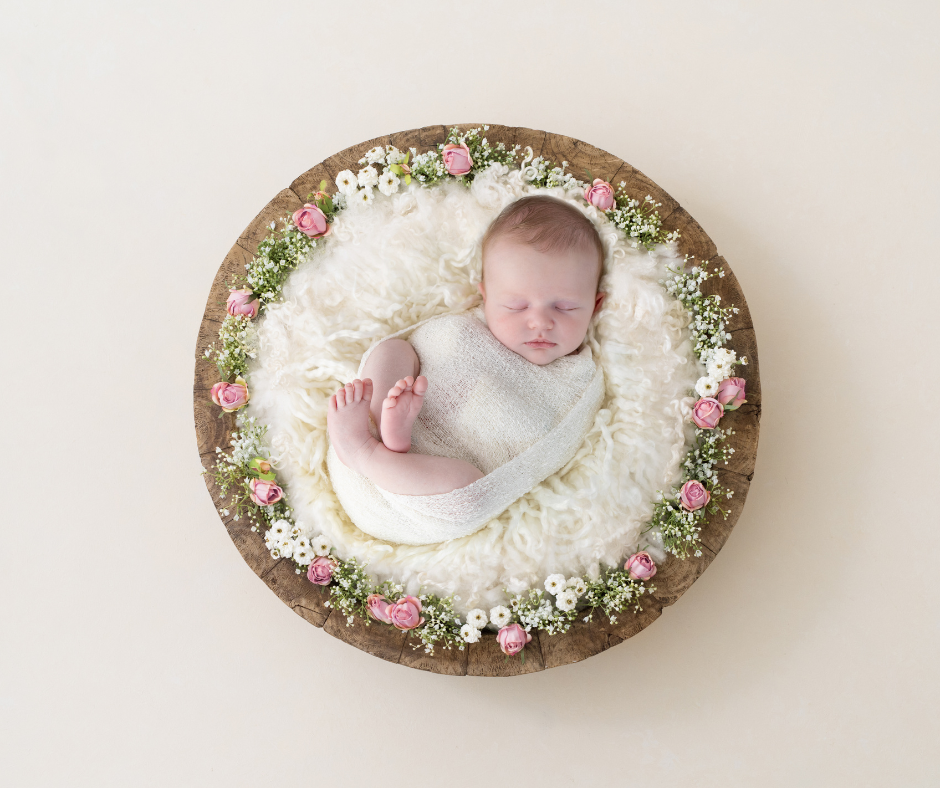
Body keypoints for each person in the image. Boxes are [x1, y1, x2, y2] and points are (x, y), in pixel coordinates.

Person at [326, 195, 607, 497]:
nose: (539, 322)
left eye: (564, 308)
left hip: (421, 487)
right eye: (515, 306)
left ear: (594, 306)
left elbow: (547, 450)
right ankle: (385, 427)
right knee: (393, 351)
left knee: (469, 486)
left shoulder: (578, 382)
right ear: (485, 297)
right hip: (401, 419)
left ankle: (363, 452)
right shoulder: (468, 330)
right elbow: (432, 350)